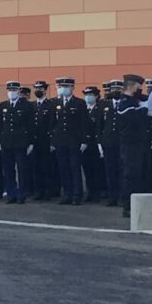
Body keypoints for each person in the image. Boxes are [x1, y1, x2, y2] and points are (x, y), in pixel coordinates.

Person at [114, 73, 151, 213]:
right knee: (130, 175)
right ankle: (128, 206)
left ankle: (136, 204)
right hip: (129, 145)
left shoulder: (135, 101)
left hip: (138, 143)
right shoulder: (124, 102)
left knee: (139, 175)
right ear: (130, 86)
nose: (139, 89)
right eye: (137, 86)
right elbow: (133, 118)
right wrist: (144, 108)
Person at [50, 73, 89, 206]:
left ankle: (77, 195)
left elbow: (84, 123)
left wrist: (84, 140)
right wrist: (53, 141)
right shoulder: (55, 103)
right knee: (63, 168)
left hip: (74, 141)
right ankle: (67, 194)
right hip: (60, 141)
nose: (63, 88)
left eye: (66, 86)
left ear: (72, 87)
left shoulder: (79, 103)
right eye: (61, 86)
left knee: (74, 168)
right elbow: (53, 124)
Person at [0, 80, 36, 203]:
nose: (11, 92)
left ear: (19, 91)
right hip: (7, 143)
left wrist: (31, 142)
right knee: (8, 170)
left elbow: (31, 126)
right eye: (9, 90)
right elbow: (0, 125)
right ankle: (11, 194)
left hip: (21, 143)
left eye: (14, 90)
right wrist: (0, 140)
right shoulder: (3, 106)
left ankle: (21, 194)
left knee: (21, 169)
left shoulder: (27, 105)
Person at [80, 85, 108, 203]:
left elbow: (100, 127)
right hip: (85, 145)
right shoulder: (83, 109)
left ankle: (99, 192)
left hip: (96, 145)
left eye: (90, 94)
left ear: (96, 96)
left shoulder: (100, 109)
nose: (88, 97)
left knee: (98, 170)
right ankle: (90, 192)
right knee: (88, 170)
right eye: (86, 95)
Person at [100, 80, 126, 206]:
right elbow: (100, 125)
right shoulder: (104, 105)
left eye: (118, 89)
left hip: (121, 142)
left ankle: (122, 196)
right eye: (113, 89)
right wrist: (100, 142)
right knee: (110, 170)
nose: (116, 92)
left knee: (121, 170)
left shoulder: (126, 104)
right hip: (108, 142)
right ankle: (112, 196)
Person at [28, 80, 55, 200]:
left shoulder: (50, 105)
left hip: (46, 140)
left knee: (46, 167)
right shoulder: (32, 106)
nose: (37, 90)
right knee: (36, 167)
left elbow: (53, 124)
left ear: (45, 90)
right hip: (34, 141)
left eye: (40, 88)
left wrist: (52, 141)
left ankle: (48, 191)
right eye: (36, 88)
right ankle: (38, 191)